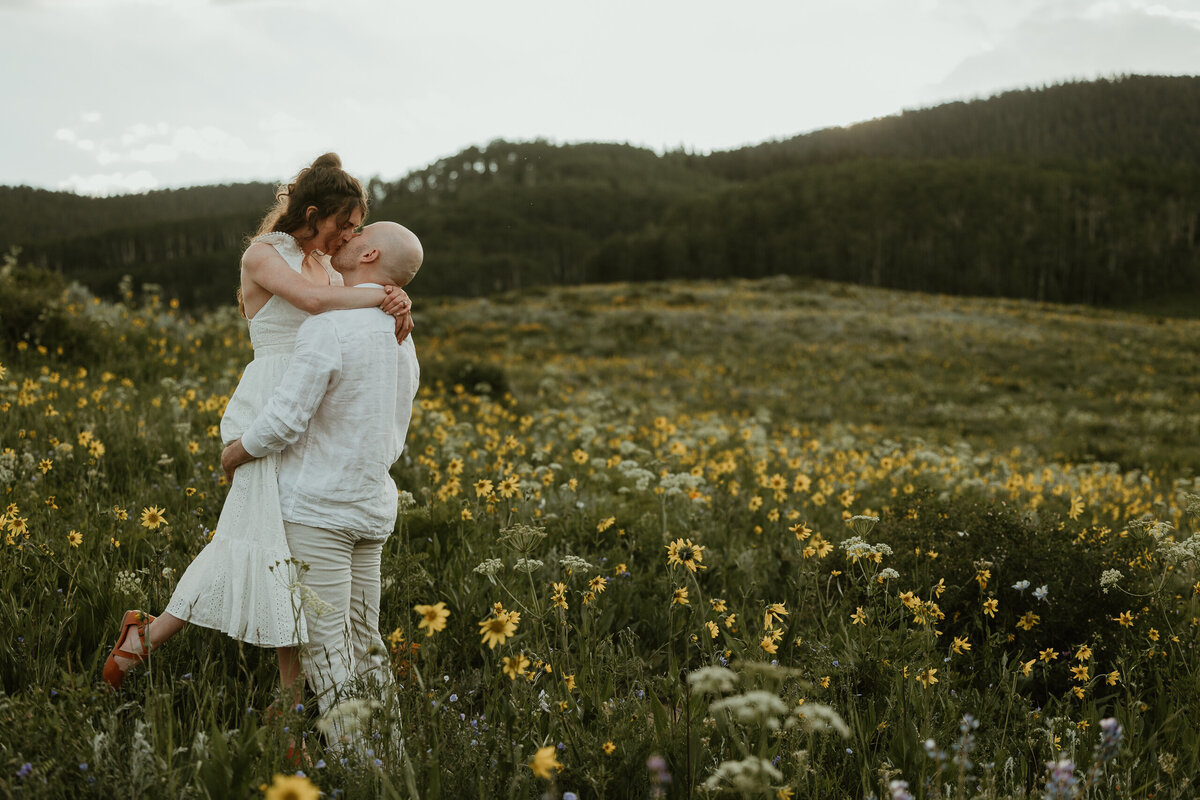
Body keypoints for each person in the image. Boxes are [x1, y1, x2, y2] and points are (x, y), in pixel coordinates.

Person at [102, 154, 412, 699]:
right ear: (314, 213)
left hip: (310, 406)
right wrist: (382, 295)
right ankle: (283, 708)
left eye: (358, 227)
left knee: (271, 552)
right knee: (267, 548)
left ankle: (150, 639)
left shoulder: (331, 263)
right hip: (272, 402)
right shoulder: (265, 254)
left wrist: (396, 291)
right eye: (346, 222)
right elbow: (316, 304)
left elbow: (346, 303)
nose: (351, 233)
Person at [220, 220, 421, 741]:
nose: (344, 241)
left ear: (369, 252)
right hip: (372, 506)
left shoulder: (328, 328)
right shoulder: (401, 336)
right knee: (365, 638)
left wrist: (235, 452)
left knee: (327, 648)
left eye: (357, 236)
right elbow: (396, 427)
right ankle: (392, 757)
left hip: (320, 510)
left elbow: (286, 419)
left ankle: (360, 770)